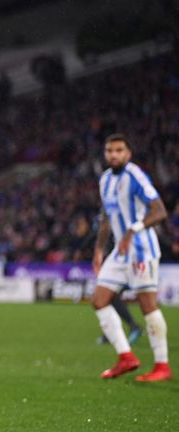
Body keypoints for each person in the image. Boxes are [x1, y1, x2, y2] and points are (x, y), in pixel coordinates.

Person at [91, 133, 171, 381]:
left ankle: (162, 366)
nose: (114, 155)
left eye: (119, 150)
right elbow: (106, 217)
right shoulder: (105, 180)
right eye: (109, 150)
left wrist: (132, 229)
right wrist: (99, 249)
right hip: (119, 253)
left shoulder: (135, 176)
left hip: (141, 249)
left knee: (147, 305)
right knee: (99, 299)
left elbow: (159, 211)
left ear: (128, 153)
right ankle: (126, 357)